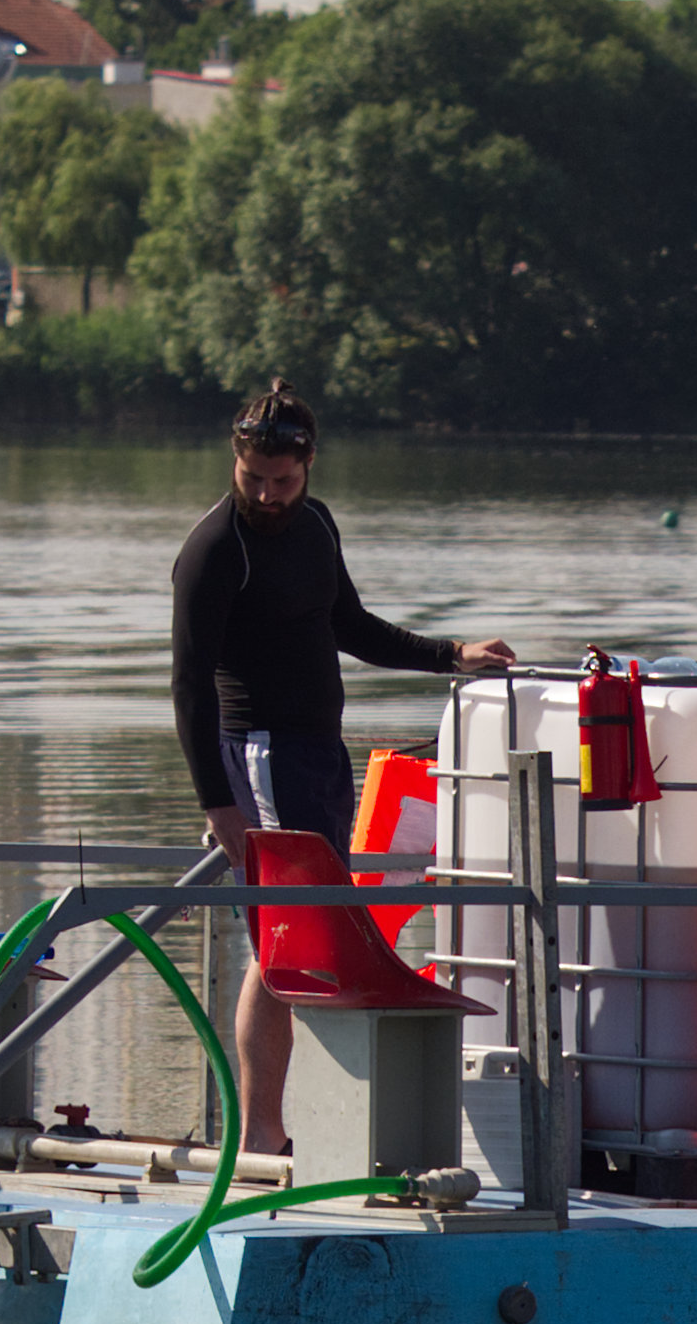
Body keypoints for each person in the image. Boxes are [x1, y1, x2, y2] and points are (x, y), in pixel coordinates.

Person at [170, 381, 518, 1154]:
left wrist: (450, 655)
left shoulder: (317, 524)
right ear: (235, 461)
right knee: (283, 942)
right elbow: (188, 686)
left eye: (282, 481)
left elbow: (349, 626)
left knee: (317, 933)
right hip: (255, 753)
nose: (266, 494)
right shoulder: (213, 551)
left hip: (317, 752)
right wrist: (217, 802)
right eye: (252, 478)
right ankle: (262, 1136)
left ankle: (303, 1128)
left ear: (310, 465)